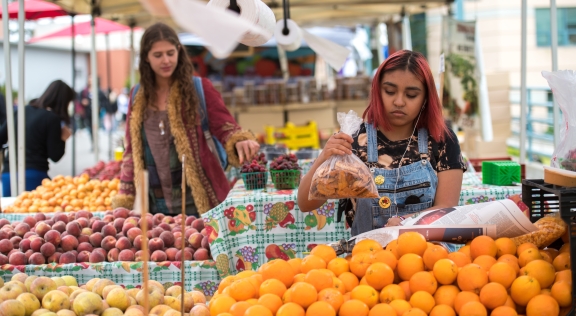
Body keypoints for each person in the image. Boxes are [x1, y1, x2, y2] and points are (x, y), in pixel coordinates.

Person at [298, 50, 467, 236]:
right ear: (377, 91)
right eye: (390, 91)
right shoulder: (354, 140)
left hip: (426, 254)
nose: (399, 101)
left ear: (426, 98)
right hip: (368, 257)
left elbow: (446, 207)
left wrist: (405, 222)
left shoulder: (442, 140)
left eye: (411, 95)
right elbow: (306, 204)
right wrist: (325, 156)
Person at [112, 22, 259, 216]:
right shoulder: (137, 96)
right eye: (158, 55)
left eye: (170, 53)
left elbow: (226, 126)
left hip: (200, 200)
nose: (166, 60)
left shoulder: (199, 88)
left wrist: (240, 141)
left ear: (179, 52)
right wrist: (126, 195)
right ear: (146, 58)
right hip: (155, 203)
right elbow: (131, 151)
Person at [0, 80, 74, 196]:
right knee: (32, 211)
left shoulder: (23, 110)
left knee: (9, 212)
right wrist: (63, 138)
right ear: (63, 101)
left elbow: (1, 137)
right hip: (34, 174)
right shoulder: (52, 119)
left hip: (9, 173)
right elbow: (55, 155)